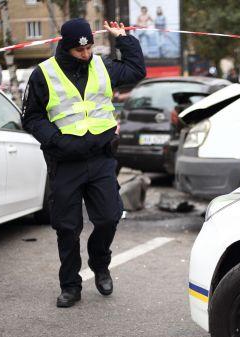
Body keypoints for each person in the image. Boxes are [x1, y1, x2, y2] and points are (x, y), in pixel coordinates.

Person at [21, 18, 146, 308]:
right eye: (80, 51)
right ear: (66, 47)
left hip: (101, 157)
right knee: (67, 227)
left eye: (89, 47)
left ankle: (100, 264)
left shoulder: (101, 66)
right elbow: (31, 117)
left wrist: (123, 39)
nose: (86, 54)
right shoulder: (44, 74)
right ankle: (70, 285)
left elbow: (137, 69)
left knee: (109, 217)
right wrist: (55, 140)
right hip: (65, 161)